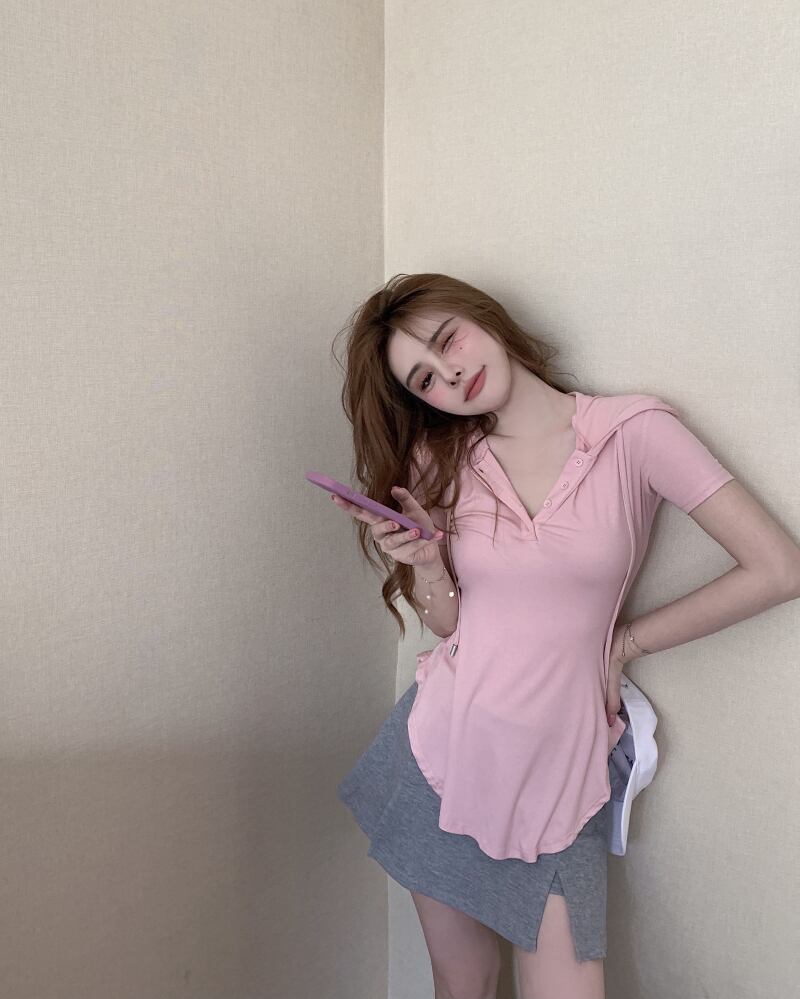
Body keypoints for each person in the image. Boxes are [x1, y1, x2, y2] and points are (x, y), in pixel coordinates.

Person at [330, 272, 800, 999]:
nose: (449, 373)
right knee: (463, 983)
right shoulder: (440, 461)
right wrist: (425, 564)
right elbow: (452, 622)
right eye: (424, 378)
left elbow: (778, 567)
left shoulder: (635, 432)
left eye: (448, 338)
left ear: (485, 317)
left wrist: (626, 644)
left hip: (562, 768)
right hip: (442, 752)